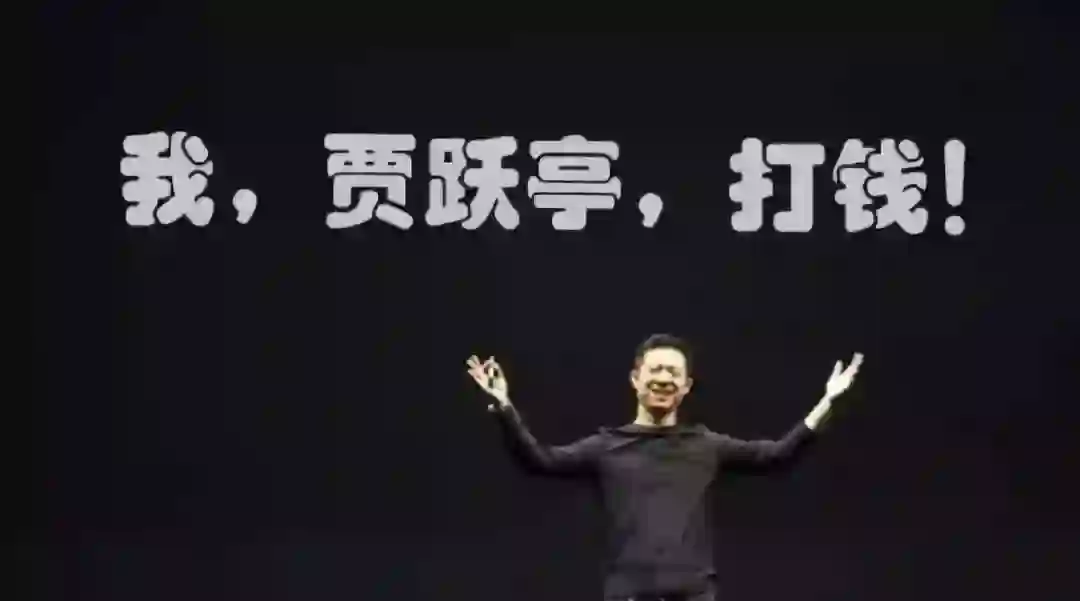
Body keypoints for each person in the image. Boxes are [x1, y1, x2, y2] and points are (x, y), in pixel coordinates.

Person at [465, 333, 863, 601]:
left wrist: (827, 401)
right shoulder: (607, 446)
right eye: (655, 370)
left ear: (686, 386)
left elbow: (778, 455)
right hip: (628, 594)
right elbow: (541, 460)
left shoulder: (705, 445)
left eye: (673, 372)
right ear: (635, 379)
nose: (663, 378)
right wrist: (505, 407)